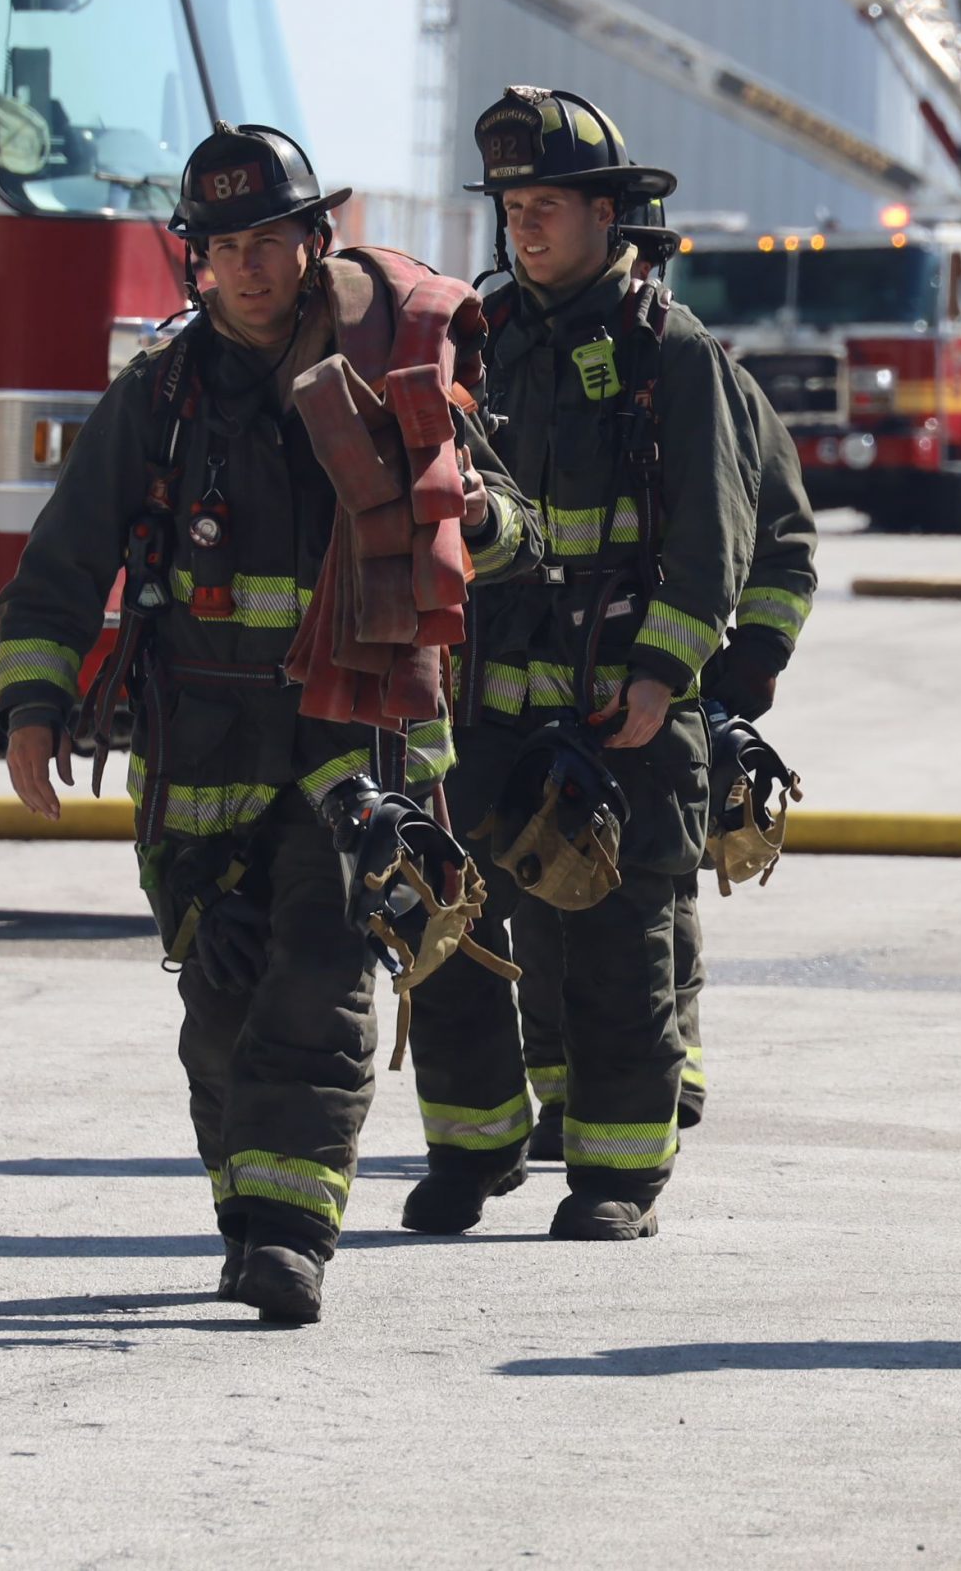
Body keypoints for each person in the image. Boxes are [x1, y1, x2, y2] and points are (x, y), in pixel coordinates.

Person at [0, 123, 540, 1323]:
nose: (248, 268)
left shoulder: (395, 370)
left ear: (313, 240)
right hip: (201, 759)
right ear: (194, 261)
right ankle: (248, 1215)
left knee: (324, 980)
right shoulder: (158, 397)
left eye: (271, 241)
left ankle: (290, 1235)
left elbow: (516, 526)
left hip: (361, 750)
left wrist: (455, 517)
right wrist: (33, 705)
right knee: (223, 1008)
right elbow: (56, 568)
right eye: (223, 246)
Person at [397, 86, 758, 1243]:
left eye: (545, 204)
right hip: (483, 716)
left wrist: (659, 676)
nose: (523, 226)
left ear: (609, 215)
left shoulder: (673, 355)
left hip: (625, 716)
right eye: (510, 207)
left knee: (616, 956)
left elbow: (716, 543)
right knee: (441, 928)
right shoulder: (479, 343)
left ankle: (617, 1177)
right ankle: (473, 1150)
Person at [515, 275, 819, 1152]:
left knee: (656, 887)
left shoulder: (700, 376)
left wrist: (747, 665)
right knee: (546, 894)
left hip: (676, 683)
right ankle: (567, 1095)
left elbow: (782, 539)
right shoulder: (525, 356)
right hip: (544, 688)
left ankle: (668, 1069)